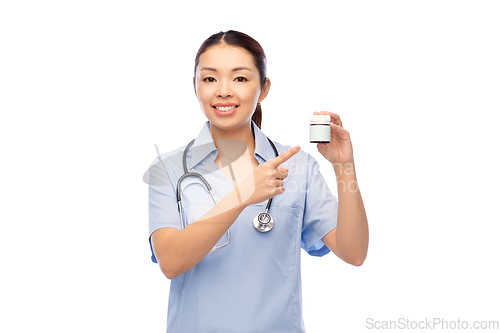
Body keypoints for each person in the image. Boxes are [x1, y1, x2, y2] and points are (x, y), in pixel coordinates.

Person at [146, 30, 368, 332]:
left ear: (263, 89)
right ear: (195, 86)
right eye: (210, 79)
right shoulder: (168, 168)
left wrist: (344, 166)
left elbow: (354, 253)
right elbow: (170, 262)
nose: (223, 91)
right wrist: (242, 195)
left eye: (240, 78)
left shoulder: (298, 166)